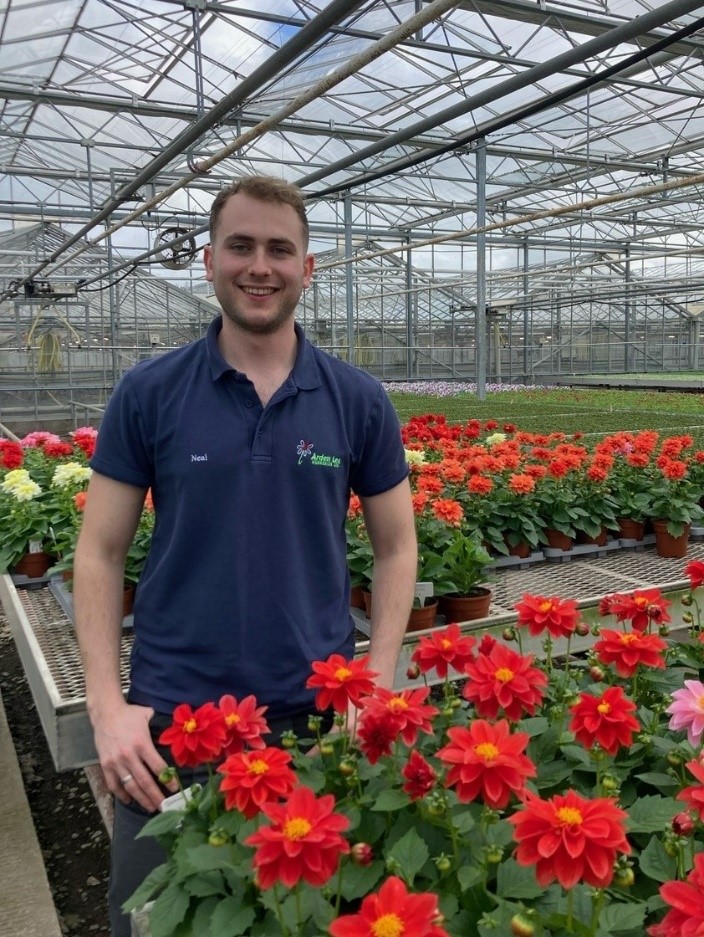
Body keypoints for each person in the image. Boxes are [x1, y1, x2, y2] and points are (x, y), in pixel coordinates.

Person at [73, 174, 417, 937]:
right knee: (153, 921)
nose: (260, 266)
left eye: (279, 249)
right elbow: (98, 551)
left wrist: (379, 676)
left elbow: (397, 546)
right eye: (241, 246)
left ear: (307, 267)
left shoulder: (357, 399)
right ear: (209, 260)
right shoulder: (150, 392)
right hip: (172, 728)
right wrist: (106, 707)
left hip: (314, 726)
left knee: (305, 921)